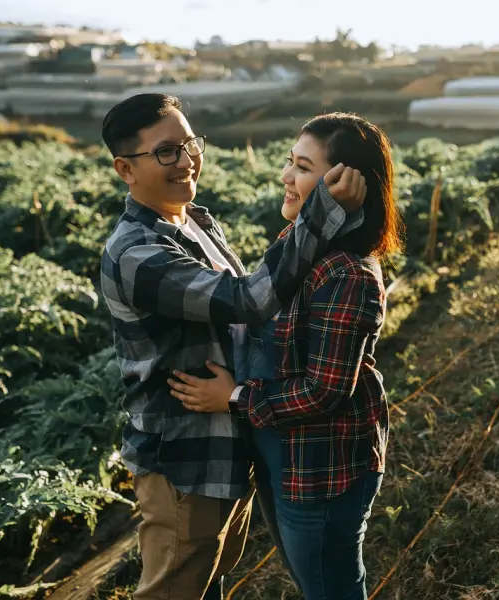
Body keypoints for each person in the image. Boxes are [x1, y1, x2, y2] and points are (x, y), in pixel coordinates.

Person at [99, 95, 367, 600]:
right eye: (165, 153)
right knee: (173, 589)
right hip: (184, 460)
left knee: (209, 580)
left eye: (188, 144)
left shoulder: (191, 220)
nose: (185, 160)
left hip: (222, 445)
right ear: (125, 169)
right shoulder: (137, 252)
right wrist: (324, 210)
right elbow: (250, 300)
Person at [167, 112, 404, 600]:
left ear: (343, 181)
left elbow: (324, 391)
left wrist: (231, 396)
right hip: (285, 457)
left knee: (331, 587)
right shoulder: (301, 246)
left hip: (323, 465)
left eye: (302, 167)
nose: (285, 177)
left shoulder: (345, 274)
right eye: (289, 162)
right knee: (314, 579)